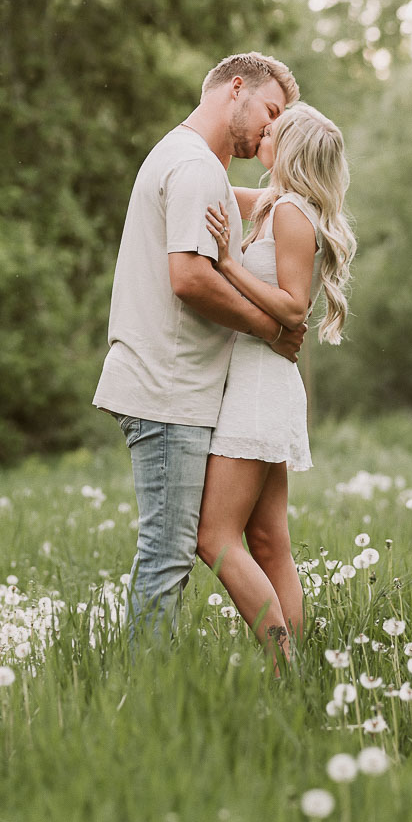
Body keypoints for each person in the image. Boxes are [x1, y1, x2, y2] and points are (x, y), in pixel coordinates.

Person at [94, 52, 304, 641]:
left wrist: (309, 203)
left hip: (182, 388)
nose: (271, 128)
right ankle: (144, 700)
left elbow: (259, 206)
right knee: (167, 555)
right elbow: (188, 278)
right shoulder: (192, 167)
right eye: (270, 110)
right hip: (166, 388)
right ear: (235, 88)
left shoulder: (196, 162)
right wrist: (272, 328)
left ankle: (283, 675)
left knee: (181, 550)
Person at [196, 103, 356, 667]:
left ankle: (283, 663)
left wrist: (226, 265)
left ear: (289, 151)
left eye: (273, 132)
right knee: (267, 543)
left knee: (213, 536)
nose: (263, 134)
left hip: (260, 386)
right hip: (258, 377)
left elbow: (294, 306)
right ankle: (297, 671)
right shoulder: (272, 204)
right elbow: (212, 185)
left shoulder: (292, 214)